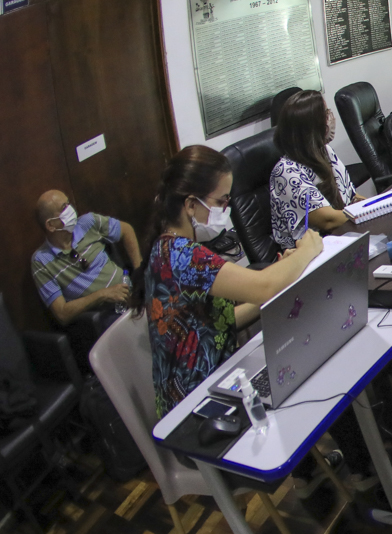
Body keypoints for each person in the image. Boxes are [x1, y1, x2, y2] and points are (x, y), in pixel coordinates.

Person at [130, 146, 324, 416]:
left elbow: (217, 322)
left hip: (214, 379)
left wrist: (281, 277)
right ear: (190, 205)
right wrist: (306, 251)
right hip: (197, 404)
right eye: (221, 201)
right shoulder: (183, 256)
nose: (226, 209)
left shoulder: (168, 249)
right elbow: (262, 286)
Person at [31, 190, 141, 326]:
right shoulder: (41, 261)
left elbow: (126, 230)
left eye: (68, 203)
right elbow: (62, 313)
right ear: (50, 225)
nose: (70, 209)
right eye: (63, 208)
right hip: (105, 313)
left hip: (132, 292)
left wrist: (139, 270)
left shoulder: (88, 223)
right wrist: (103, 294)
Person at [268, 90, 357, 252]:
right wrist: (368, 211)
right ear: (311, 126)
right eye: (326, 113)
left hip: (341, 237)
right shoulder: (286, 172)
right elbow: (328, 220)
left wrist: (381, 205)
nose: (330, 119)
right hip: (309, 255)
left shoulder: (325, 151)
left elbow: (352, 198)